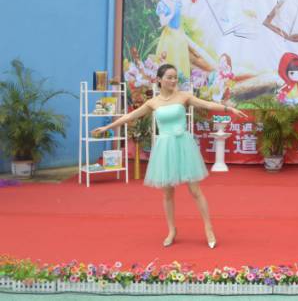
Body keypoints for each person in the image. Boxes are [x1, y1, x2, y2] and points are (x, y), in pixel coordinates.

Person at [92, 64, 247, 248]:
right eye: (169, 77)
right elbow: (129, 117)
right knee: (167, 194)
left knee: (195, 191)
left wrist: (229, 110)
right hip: (165, 148)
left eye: (175, 77)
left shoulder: (183, 96)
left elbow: (207, 104)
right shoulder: (153, 103)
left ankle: (208, 228)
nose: (173, 81)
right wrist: (107, 127)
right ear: (159, 80)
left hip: (183, 145)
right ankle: (172, 230)